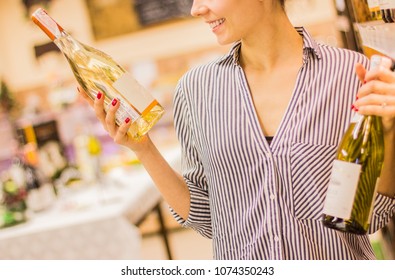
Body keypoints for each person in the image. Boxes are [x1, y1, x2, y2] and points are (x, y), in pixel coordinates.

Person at [78, 0, 395, 259]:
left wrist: (391, 131)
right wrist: (143, 148)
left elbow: (371, 215)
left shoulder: (355, 76)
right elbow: (207, 217)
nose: (195, 9)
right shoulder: (196, 90)